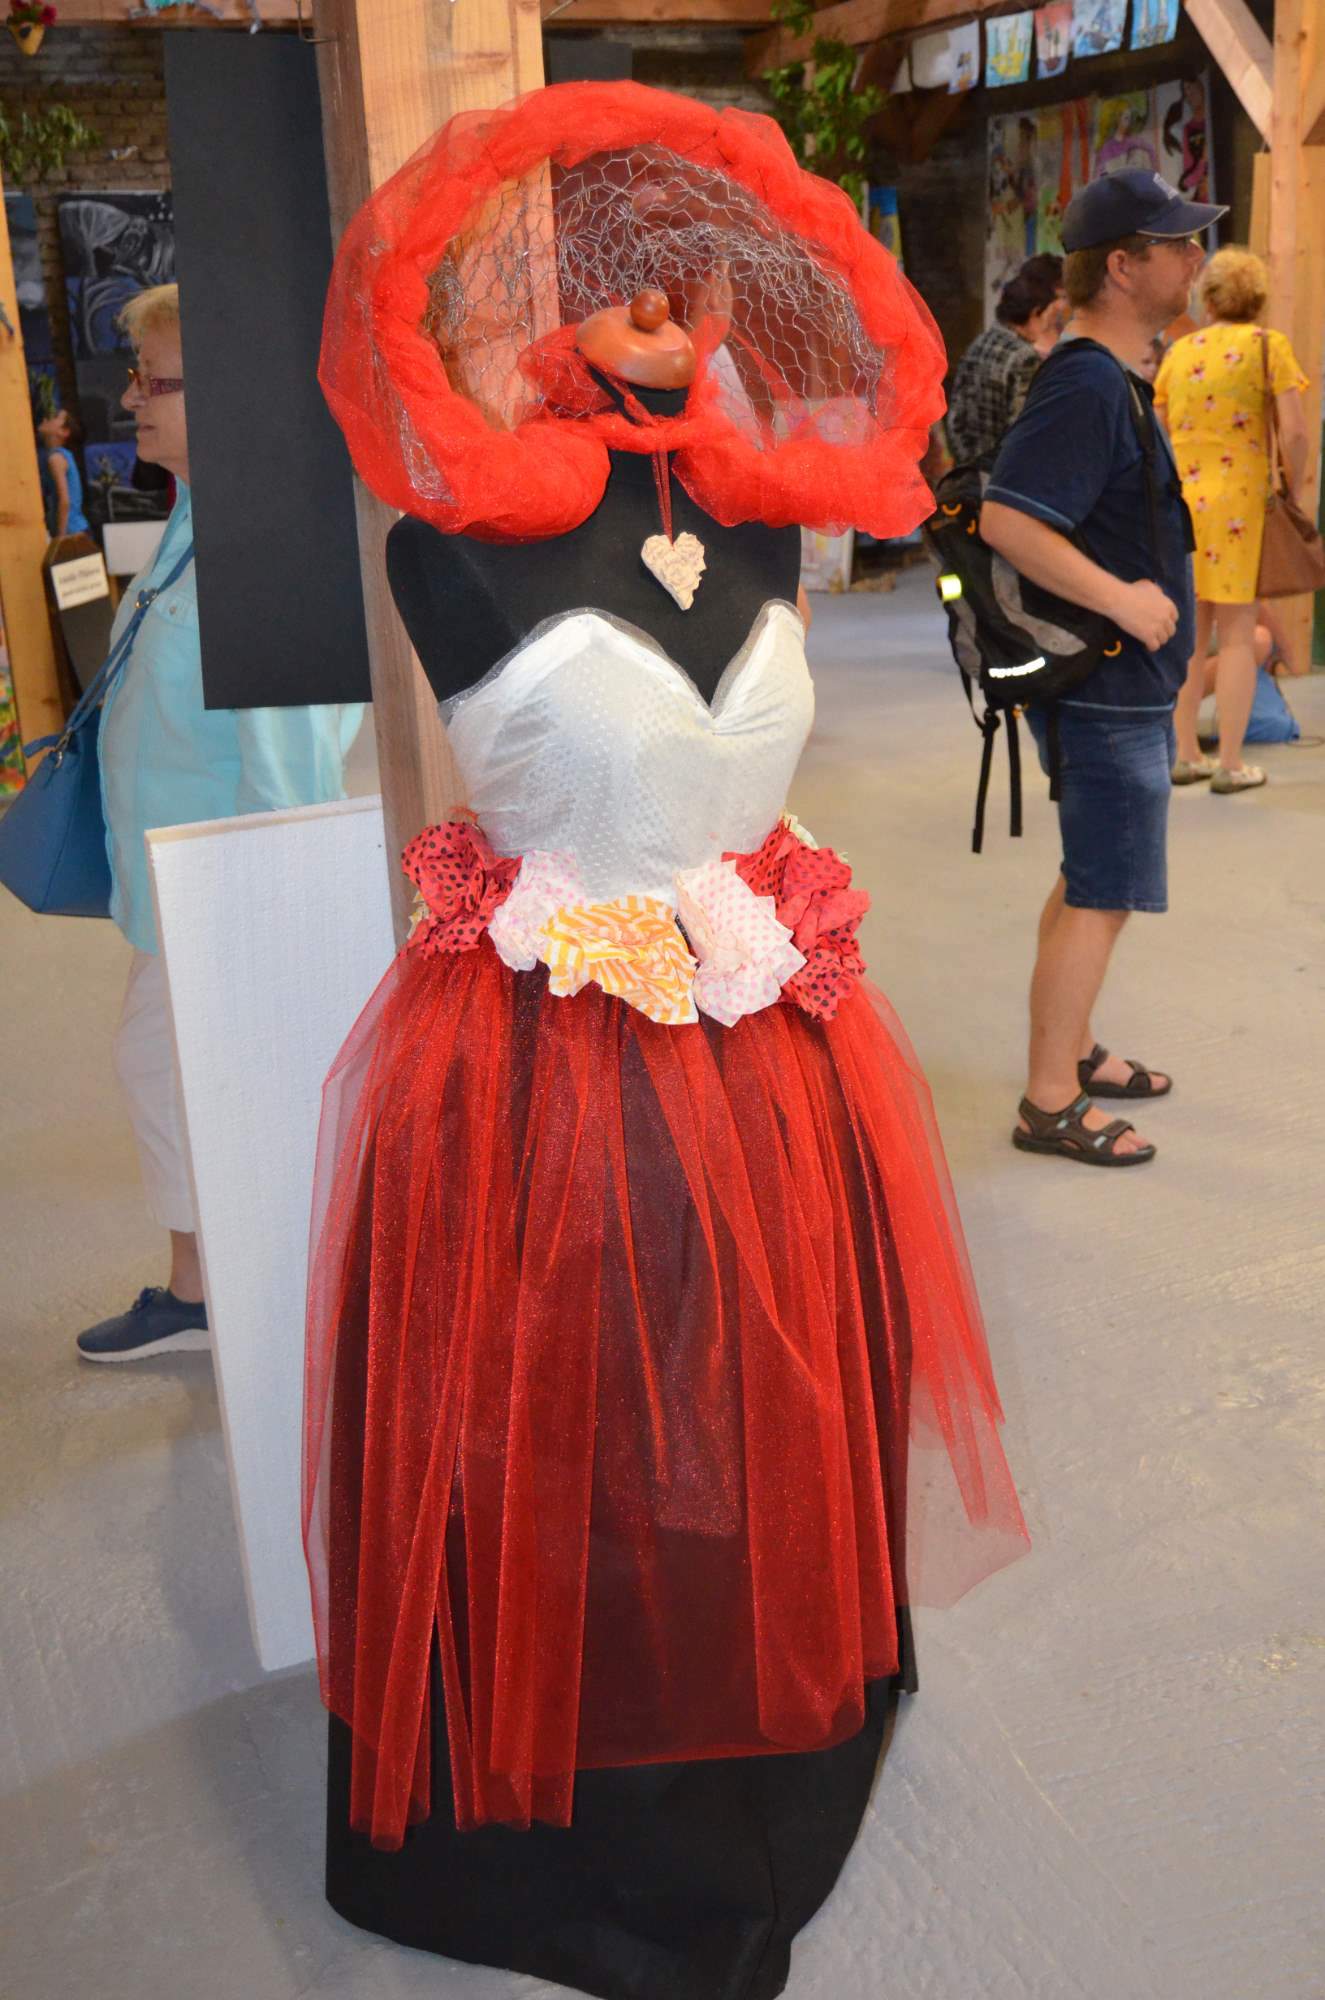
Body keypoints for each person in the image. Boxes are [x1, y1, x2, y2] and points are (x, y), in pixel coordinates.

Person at [75, 284, 365, 1363]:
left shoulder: (262, 552)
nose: (131, 400)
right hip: (178, 878)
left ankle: (223, 1295)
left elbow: (288, 764)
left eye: (154, 381)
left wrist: (267, 916)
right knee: (170, 1075)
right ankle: (209, 1285)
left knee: (175, 1077)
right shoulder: (201, 522)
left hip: (224, 888)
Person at [981, 167, 1225, 1167]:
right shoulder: (1085, 382)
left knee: (1091, 878)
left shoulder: (1109, 376)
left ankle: (1070, 1050)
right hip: (1105, 683)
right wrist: (1123, 598)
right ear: (1121, 266)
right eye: (1176, 245)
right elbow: (1007, 520)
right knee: (1102, 890)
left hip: (1118, 683)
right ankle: (1048, 1099)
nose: (1195, 258)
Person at [1156, 246, 1311, 793]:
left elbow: (1159, 427)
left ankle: (1185, 755)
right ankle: (1230, 764)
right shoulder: (1268, 346)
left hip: (1183, 507)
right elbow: (1294, 431)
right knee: (1239, 634)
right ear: (1258, 297)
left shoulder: (1179, 353)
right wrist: (1293, 483)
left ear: (1209, 297)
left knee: (1190, 637)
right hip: (1240, 507)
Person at [946, 253, 1064, 467]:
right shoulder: (1025, 357)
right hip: (1000, 473)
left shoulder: (980, 343)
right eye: (1048, 316)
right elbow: (1022, 431)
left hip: (967, 470)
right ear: (1035, 313)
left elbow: (955, 416)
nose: (1047, 324)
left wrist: (968, 465)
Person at [37, 407, 89, 537]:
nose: (47, 418)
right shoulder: (62, 455)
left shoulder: (56, 458)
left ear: (64, 432)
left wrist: (60, 538)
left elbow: (64, 501)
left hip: (71, 532)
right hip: (76, 530)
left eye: (55, 417)